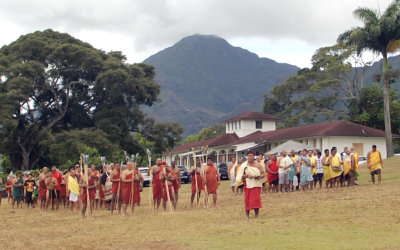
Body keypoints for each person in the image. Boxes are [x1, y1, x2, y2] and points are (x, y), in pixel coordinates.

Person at [236, 151, 265, 219]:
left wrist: (260, 177)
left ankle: (257, 214)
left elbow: (263, 173)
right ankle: (247, 215)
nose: (250, 157)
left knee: (256, 199)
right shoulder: (244, 165)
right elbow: (240, 175)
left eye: (252, 155)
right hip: (248, 184)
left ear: (254, 156)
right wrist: (248, 175)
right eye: (249, 156)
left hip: (256, 183)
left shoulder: (258, 165)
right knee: (248, 199)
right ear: (247, 157)